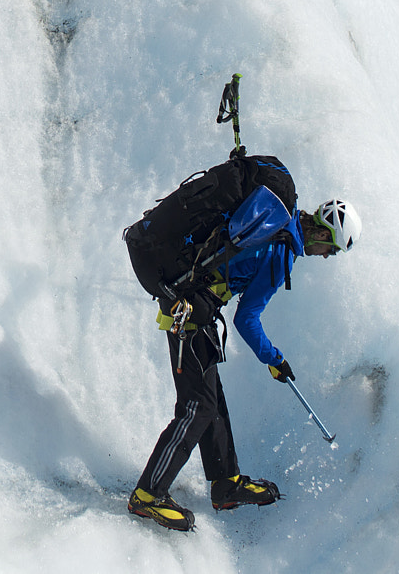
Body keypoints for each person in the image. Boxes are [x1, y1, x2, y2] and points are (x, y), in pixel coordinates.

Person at [123, 174, 361, 534]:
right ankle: (148, 493)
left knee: (211, 399)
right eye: (332, 249)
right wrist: (274, 359)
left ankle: (225, 482)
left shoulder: (276, 216)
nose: (326, 257)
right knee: (197, 407)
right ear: (323, 234)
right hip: (191, 312)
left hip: (190, 303)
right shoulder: (281, 251)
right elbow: (247, 319)